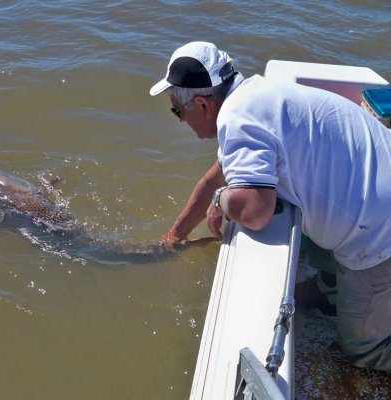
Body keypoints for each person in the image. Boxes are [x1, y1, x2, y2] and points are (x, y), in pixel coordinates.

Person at [149, 41, 391, 372]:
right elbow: (212, 179)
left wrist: (222, 200)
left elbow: (255, 212)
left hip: (380, 235)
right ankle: (330, 289)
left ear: (203, 105)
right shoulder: (256, 97)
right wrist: (174, 235)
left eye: (179, 111)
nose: (181, 121)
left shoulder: (237, 120)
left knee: (364, 351)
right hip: (375, 198)